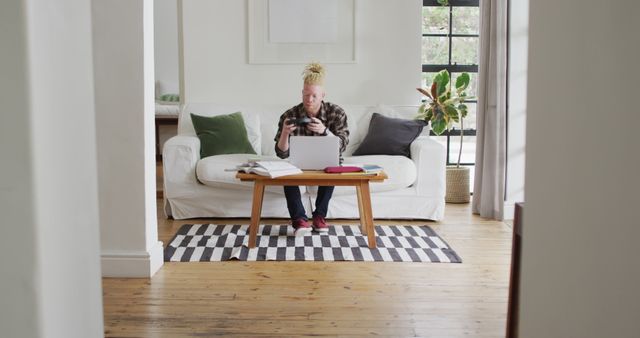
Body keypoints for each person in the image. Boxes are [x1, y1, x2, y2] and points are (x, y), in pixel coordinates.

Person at [274, 62, 349, 235]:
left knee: (334, 165)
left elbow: (342, 145)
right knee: (285, 170)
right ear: (302, 93)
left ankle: (319, 217)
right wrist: (285, 133)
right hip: (296, 165)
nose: (309, 100)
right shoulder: (289, 115)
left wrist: (325, 131)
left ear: (323, 95)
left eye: (314, 96)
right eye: (306, 95)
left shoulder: (336, 113)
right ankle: (299, 220)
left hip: (327, 164)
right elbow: (281, 153)